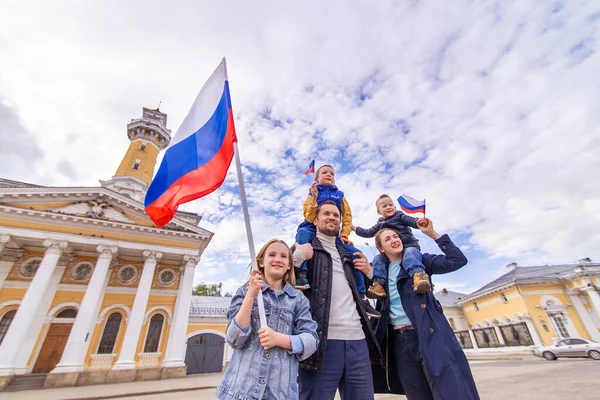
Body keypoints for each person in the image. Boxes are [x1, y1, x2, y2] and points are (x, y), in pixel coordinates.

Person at [371, 221, 480, 400]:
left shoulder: (419, 261)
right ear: (381, 248)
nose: (394, 240)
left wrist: (434, 235)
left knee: (449, 391)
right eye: (388, 239)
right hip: (399, 342)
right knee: (417, 394)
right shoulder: (378, 273)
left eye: (396, 236)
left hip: (427, 335)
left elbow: (458, 260)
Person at [293, 200, 383, 400]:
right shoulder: (304, 247)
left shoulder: (349, 253)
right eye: (326, 214)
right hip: (319, 343)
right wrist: (298, 256)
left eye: (336, 215)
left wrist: (369, 273)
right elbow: (281, 278)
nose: (332, 217)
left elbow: (368, 290)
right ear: (315, 220)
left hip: (358, 341)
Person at [216, 239, 319, 400]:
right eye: (272, 255)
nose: (278, 259)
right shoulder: (244, 292)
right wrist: (251, 295)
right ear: (261, 262)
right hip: (240, 393)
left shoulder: (298, 299)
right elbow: (234, 340)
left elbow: (311, 341)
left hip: (280, 395)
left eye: (284, 256)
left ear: (289, 265)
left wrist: (279, 339)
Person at [294, 164, 380, 317]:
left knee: (356, 254)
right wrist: (314, 198)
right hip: (311, 227)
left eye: (332, 174)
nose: (329, 175)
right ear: (316, 178)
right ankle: (301, 274)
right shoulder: (313, 193)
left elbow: (346, 217)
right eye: (325, 173)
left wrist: (345, 234)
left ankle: (361, 296)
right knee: (302, 235)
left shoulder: (340, 195)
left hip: (334, 233)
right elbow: (308, 216)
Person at [353, 194, 431, 298]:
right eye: (384, 206)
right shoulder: (380, 223)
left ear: (395, 207)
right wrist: (354, 228)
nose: (388, 207)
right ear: (378, 212)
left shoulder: (400, 216)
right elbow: (368, 232)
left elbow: (411, 221)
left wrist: (419, 221)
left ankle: (418, 277)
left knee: (410, 255)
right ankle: (379, 285)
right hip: (390, 252)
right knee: (378, 259)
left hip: (408, 246)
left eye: (390, 204)